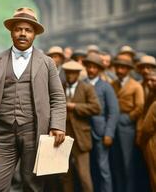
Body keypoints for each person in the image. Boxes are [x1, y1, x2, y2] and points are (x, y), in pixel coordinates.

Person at [0, 7, 66, 192]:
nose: (23, 34)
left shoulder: (47, 62)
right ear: (11, 32)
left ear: (34, 34)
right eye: (18, 29)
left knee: (33, 185)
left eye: (28, 30)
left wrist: (57, 125)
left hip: (34, 131)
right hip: (2, 132)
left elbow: (57, 97)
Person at [60, 60, 101, 192]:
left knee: (84, 176)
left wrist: (75, 107)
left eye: (73, 73)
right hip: (63, 136)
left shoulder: (87, 88)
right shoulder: (60, 86)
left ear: (78, 74)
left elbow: (96, 108)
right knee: (65, 174)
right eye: (68, 73)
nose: (70, 75)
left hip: (81, 138)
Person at [83, 54, 119, 192]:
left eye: (94, 67)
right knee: (88, 169)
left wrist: (109, 133)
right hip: (84, 132)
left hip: (101, 133)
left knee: (103, 168)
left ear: (99, 69)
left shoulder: (106, 87)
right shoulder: (82, 84)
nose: (91, 70)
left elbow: (113, 112)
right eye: (89, 66)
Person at [110, 53, 144, 192]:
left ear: (129, 69)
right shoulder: (113, 84)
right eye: (118, 67)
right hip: (113, 125)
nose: (119, 70)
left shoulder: (135, 86)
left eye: (123, 68)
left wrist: (128, 118)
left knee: (127, 162)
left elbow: (140, 107)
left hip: (127, 127)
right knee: (116, 161)